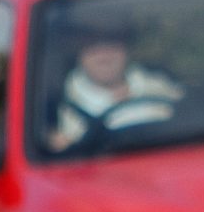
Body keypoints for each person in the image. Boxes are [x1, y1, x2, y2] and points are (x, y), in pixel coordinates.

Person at [48, 23, 181, 150]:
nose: (104, 56)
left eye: (112, 45)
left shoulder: (161, 85)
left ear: (126, 49)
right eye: (93, 46)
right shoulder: (58, 106)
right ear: (79, 52)